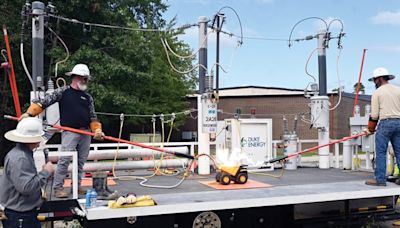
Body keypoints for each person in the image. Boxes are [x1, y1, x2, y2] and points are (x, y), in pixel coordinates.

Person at [20, 63, 104, 198]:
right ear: (76, 77)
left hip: (86, 132)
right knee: (64, 160)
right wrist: (30, 113)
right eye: (84, 78)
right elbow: (44, 102)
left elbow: (93, 117)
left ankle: (76, 186)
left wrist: (97, 129)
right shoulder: (63, 92)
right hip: (70, 131)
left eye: (86, 79)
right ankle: (57, 188)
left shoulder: (88, 97)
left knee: (80, 161)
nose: (86, 81)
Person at [0, 117, 55, 228]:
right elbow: (26, 187)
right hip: (20, 215)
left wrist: (38, 195)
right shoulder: (21, 158)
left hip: (20, 213)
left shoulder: (20, 154)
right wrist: (46, 172)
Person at [365, 67, 400, 186]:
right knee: (399, 152)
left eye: (375, 80)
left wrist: (370, 129)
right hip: (399, 123)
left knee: (381, 153)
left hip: (386, 123)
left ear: (379, 79)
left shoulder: (377, 92)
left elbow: (374, 115)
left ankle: (380, 179)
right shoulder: (398, 90)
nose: (374, 83)